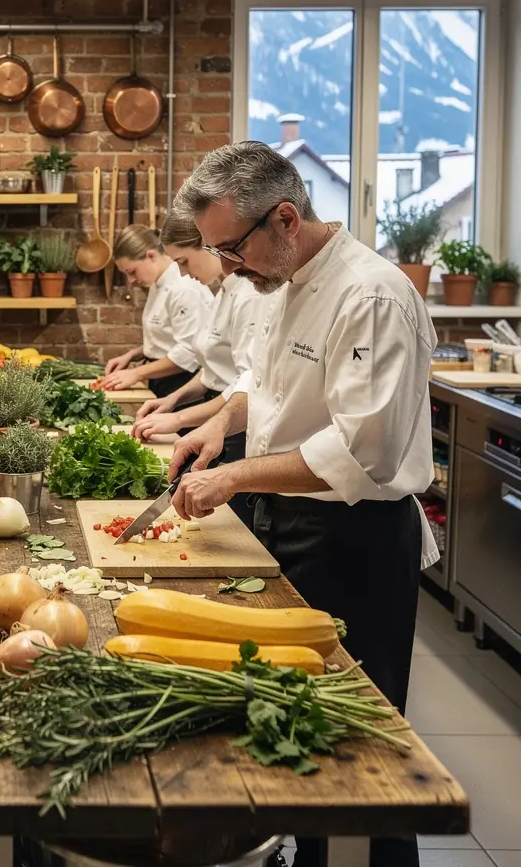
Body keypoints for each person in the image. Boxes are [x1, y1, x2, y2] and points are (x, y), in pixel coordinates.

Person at [166, 141, 440, 867]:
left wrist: (232, 477)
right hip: (290, 520)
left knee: (358, 747)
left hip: (355, 540)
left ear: (285, 218)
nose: (226, 268)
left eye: (231, 249)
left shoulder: (372, 294)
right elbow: (272, 388)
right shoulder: (283, 281)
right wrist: (219, 423)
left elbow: (362, 451)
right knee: (295, 723)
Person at [131, 209, 261, 527]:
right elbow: (212, 370)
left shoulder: (250, 296)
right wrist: (172, 400)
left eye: (184, 262)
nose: (183, 273)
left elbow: (245, 384)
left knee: (230, 532)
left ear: (208, 245)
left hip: (235, 430)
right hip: (214, 420)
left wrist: (176, 417)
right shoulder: (224, 292)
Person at [100, 223, 213, 398]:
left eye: (132, 271)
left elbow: (188, 353)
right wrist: (132, 355)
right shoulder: (157, 282)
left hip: (184, 381)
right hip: (163, 378)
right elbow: (166, 338)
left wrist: (136, 373)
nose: (131, 280)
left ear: (151, 255)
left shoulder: (184, 288)